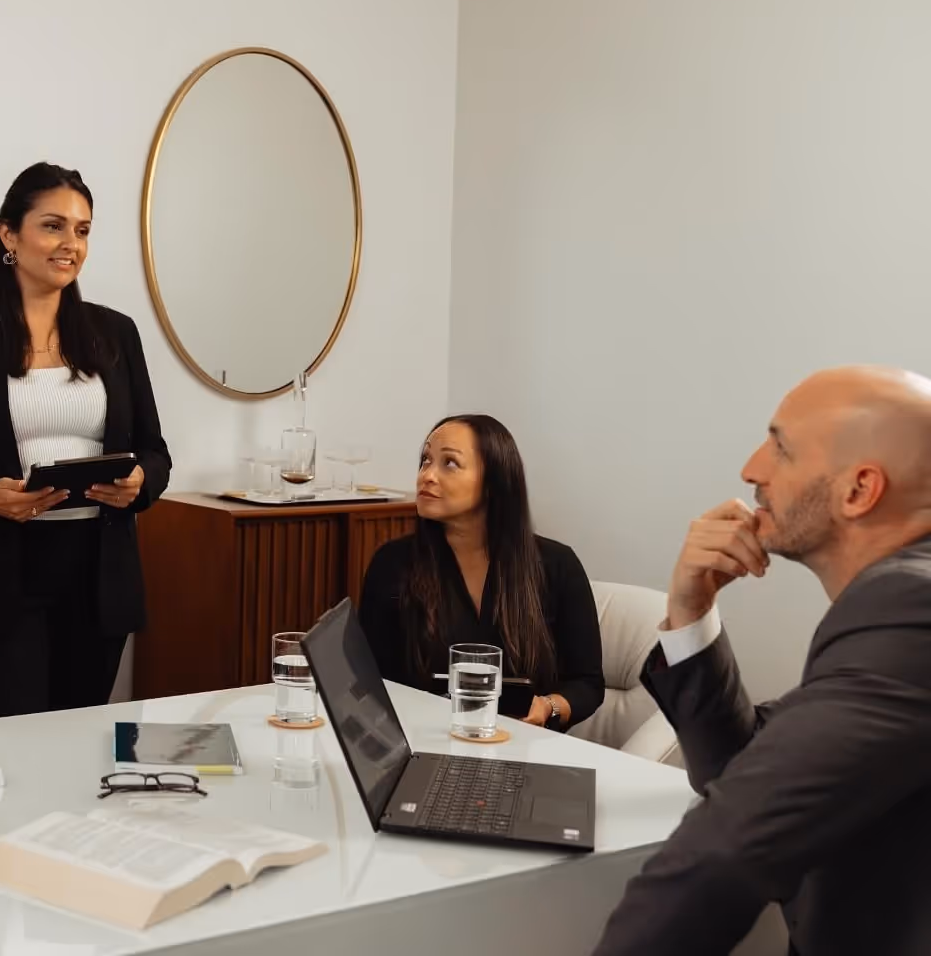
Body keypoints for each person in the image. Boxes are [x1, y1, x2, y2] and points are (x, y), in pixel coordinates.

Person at [592, 367, 931, 956]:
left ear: (859, 490)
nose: (752, 468)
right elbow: (739, 767)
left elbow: (726, 849)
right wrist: (690, 610)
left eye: (780, 447)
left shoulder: (910, 607)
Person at [0, 162, 171, 718]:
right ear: (8, 234)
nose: (71, 243)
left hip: (97, 576)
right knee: (17, 738)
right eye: (53, 226)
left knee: (77, 734)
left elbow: (154, 450)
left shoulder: (115, 333)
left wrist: (139, 482)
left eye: (83, 230)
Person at [358, 414, 603, 730]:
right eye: (425, 460)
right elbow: (369, 680)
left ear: (493, 482)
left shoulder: (558, 565)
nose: (427, 476)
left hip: (525, 749)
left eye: (449, 464)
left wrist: (547, 707)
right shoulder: (392, 564)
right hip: (422, 741)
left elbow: (588, 684)